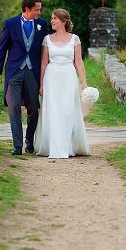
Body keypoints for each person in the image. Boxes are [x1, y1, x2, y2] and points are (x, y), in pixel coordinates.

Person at [0, 0, 50, 155]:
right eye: (37, 10)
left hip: (32, 71)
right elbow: (2, 49)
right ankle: (17, 146)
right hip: (14, 71)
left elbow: (45, 50)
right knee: (13, 107)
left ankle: (29, 139)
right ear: (27, 9)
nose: (39, 12)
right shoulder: (10, 24)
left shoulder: (42, 24)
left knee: (34, 107)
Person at [34, 8, 90, 159]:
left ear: (64, 21)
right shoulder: (47, 39)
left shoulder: (75, 39)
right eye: (51, 18)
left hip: (68, 76)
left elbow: (79, 62)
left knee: (67, 111)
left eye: (55, 19)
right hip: (51, 78)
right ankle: (53, 146)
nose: (51, 21)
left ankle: (68, 146)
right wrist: (40, 84)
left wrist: (84, 83)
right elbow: (43, 64)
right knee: (53, 111)